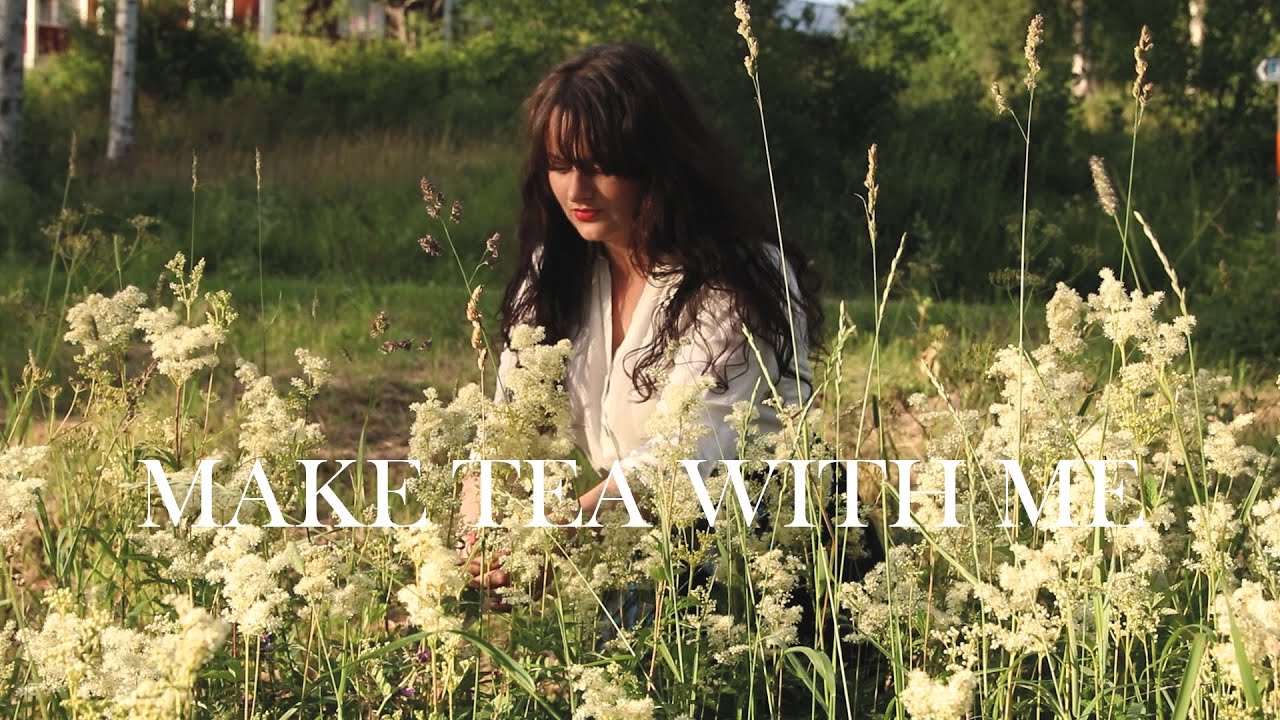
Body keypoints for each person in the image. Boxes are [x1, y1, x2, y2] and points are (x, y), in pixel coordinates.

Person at [456, 43, 824, 599]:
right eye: (560, 166)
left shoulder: (736, 280)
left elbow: (689, 457)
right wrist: (480, 517)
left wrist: (558, 531)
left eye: (600, 167)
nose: (576, 191)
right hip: (637, 545)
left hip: (754, 555)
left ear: (656, 165)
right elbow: (510, 422)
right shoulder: (553, 271)